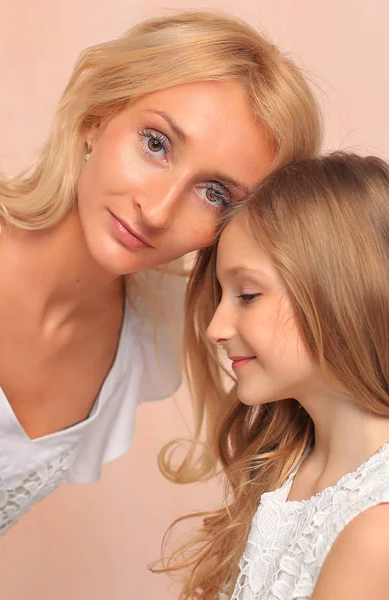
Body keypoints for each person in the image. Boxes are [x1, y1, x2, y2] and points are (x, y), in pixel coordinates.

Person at [0, 11, 321, 546]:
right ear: (98, 117)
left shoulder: (144, 345)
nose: (158, 210)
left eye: (215, 194)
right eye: (157, 144)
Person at [160, 152, 389, 599]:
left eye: (247, 295)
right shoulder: (289, 468)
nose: (216, 329)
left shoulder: (375, 530)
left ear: (339, 292)